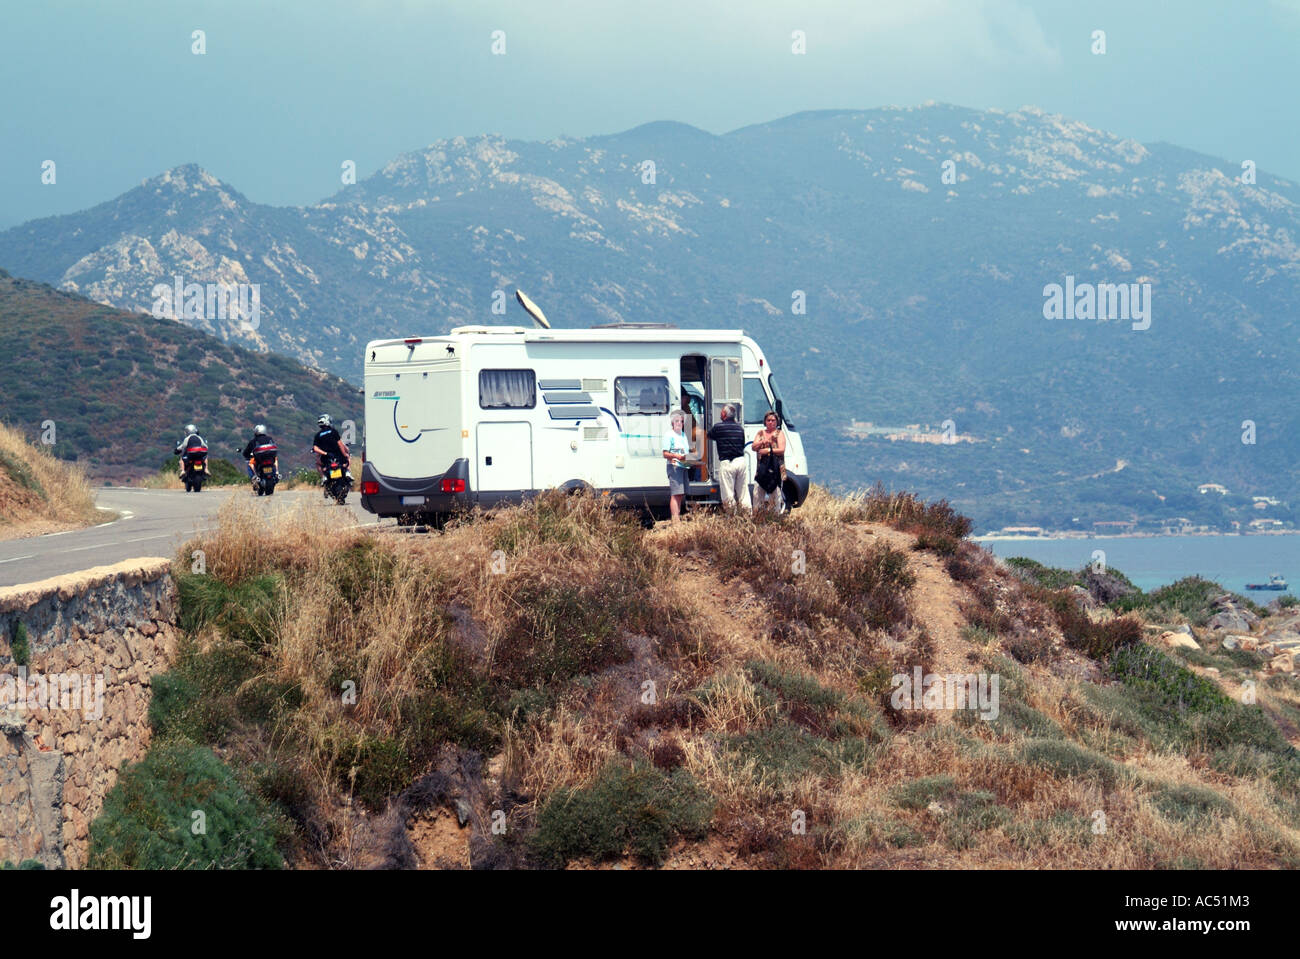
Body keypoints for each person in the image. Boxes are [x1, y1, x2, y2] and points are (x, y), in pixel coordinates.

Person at [708, 403, 751, 513]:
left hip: (727, 463)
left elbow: (709, 435)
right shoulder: (740, 429)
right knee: (743, 492)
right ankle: (747, 516)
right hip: (740, 461)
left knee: (728, 493)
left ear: (724, 414)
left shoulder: (718, 427)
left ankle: (732, 517)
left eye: (722, 412)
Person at [752, 410, 787, 514]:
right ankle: (757, 514)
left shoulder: (779, 434)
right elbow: (753, 447)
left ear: (777, 422)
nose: (771, 422)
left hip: (775, 469)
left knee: (775, 495)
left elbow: (781, 449)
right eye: (768, 420)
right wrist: (762, 442)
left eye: (773, 420)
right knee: (757, 493)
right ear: (765, 422)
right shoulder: (760, 433)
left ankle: (775, 516)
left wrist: (768, 450)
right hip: (762, 469)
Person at [662, 408, 690, 523]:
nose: (679, 423)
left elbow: (686, 451)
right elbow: (665, 453)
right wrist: (676, 456)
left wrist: (690, 459)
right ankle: (675, 519)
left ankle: (677, 518)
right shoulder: (669, 435)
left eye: (681, 421)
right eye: (677, 421)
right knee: (676, 493)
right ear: (672, 423)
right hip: (674, 466)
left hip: (683, 465)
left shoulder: (683, 435)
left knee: (681, 493)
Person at [312, 414, 351, 480]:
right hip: (338, 455)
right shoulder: (333, 431)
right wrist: (345, 455)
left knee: (318, 464)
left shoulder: (318, 435)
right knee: (348, 458)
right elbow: (340, 444)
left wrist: (325, 453)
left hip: (326, 457)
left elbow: (315, 448)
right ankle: (347, 473)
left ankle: (323, 477)